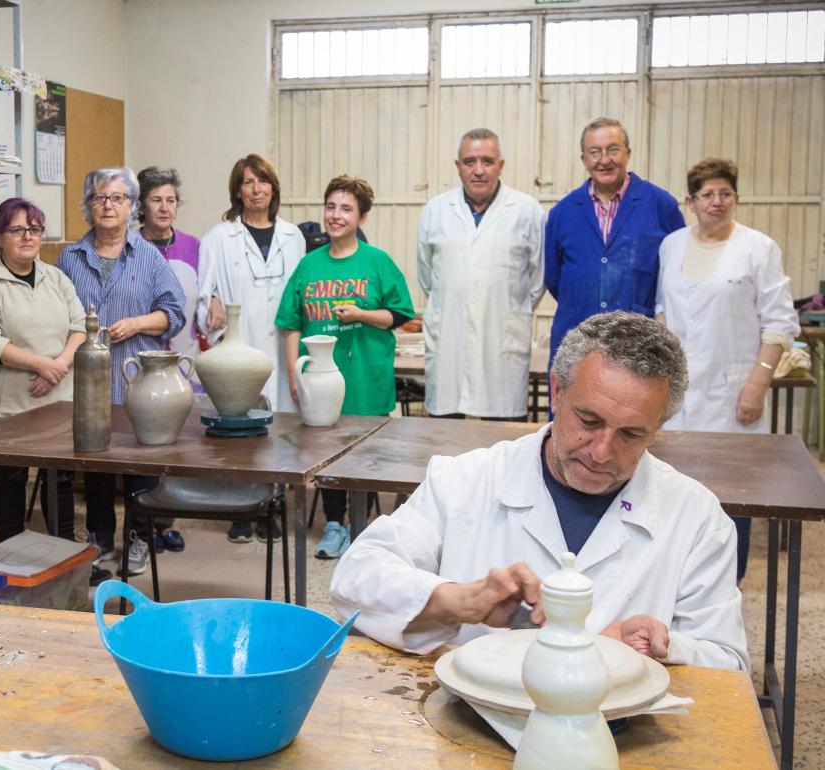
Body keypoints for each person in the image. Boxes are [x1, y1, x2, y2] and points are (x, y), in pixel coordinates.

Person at [330, 312, 748, 671]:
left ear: (657, 429)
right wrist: (457, 600)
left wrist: (662, 647)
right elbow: (355, 577)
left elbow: (728, 661)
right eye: (589, 421)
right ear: (557, 391)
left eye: (631, 434)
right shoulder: (465, 480)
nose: (602, 452)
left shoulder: (696, 518)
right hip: (469, 725)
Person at [657, 157, 800, 582]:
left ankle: (728, 582)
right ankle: (678, 582)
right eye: (707, 195)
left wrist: (757, 385)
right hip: (680, 393)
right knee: (677, 491)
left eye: (725, 194)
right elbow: (663, 309)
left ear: (735, 198)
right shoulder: (672, 245)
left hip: (735, 394)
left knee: (732, 493)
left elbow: (779, 323)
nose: (716, 202)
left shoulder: (758, 247)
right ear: (690, 201)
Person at [275, 176, 414, 559]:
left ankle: (360, 527)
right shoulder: (309, 265)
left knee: (365, 456)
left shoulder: (377, 262)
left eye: (346, 208)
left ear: (362, 216)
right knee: (325, 451)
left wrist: (361, 314)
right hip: (319, 379)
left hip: (366, 374)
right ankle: (334, 524)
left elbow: (397, 315)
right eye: (331, 207)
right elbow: (290, 325)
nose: (336, 216)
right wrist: (293, 373)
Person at [56, 167, 185, 577]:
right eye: (99, 197)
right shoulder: (70, 258)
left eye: (117, 198)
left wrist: (137, 323)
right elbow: (56, 314)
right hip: (88, 384)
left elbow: (175, 314)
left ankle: (139, 539)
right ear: (88, 206)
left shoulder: (149, 257)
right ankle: (100, 541)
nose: (108, 205)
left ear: (132, 207)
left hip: (136, 381)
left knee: (138, 467)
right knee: (95, 467)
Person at [196, 154, 307, 545]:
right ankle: (241, 511)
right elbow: (204, 291)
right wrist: (209, 303)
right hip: (239, 346)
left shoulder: (294, 237)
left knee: (281, 430)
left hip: (282, 346)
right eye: (247, 182)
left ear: (273, 188)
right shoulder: (218, 237)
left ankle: (273, 506)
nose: (256, 189)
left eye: (262, 181)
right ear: (237, 191)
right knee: (242, 431)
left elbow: (302, 294)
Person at [0, 198, 85, 542]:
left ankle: (66, 553)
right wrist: (42, 365)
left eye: (34, 229)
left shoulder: (56, 277)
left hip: (59, 398)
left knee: (60, 480)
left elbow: (80, 326)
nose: (27, 237)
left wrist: (59, 366)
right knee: (9, 480)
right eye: (17, 230)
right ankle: (11, 554)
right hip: (8, 404)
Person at [417, 128, 545, 419]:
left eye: (487, 161)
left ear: (501, 165)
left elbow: (537, 281)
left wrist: (506, 309)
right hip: (450, 344)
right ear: (457, 166)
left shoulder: (527, 211)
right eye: (469, 161)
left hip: (502, 349)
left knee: (503, 444)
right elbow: (428, 279)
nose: (478, 171)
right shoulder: (435, 211)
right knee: (445, 442)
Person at [544, 117, 685, 364]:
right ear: (584, 160)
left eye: (613, 150)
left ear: (627, 153)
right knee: (575, 402)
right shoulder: (562, 213)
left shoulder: (661, 206)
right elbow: (554, 279)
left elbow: (677, 273)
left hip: (639, 344)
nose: (605, 160)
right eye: (595, 152)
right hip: (577, 340)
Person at [136, 166, 197, 554]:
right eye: (156, 199)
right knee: (143, 448)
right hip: (140, 362)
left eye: (171, 200)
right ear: (141, 205)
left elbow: (206, 296)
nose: (164, 207)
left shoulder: (194, 246)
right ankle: (142, 527)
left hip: (183, 359)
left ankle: (165, 522)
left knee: (176, 447)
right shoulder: (130, 246)